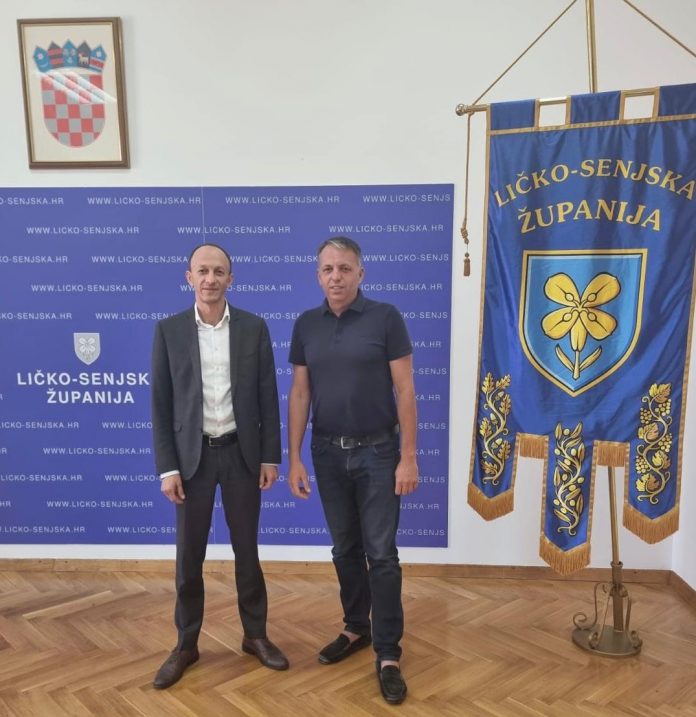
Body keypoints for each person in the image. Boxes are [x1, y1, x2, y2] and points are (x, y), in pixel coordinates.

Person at [151, 242, 288, 689]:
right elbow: (160, 405)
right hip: (191, 461)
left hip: (241, 455)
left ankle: (255, 635)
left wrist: (270, 456)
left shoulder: (254, 327)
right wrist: (167, 468)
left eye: (219, 271)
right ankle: (186, 644)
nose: (210, 279)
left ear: (231, 278)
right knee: (189, 557)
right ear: (188, 277)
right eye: (203, 271)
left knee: (247, 551)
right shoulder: (168, 331)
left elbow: (268, 396)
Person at [287, 236, 418, 705]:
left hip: (379, 453)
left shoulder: (386, 318)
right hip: (326, 453)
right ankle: (356, 627)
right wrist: (294, 457)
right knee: (344, 549)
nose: (336, 276)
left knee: (381, 555)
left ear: (361, 273)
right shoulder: (306, 324)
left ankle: (388, 653)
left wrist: (408, 456)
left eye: (345, 268)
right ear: (318, 275)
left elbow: (405, 390)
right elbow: (300, 393)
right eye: (328, 269)